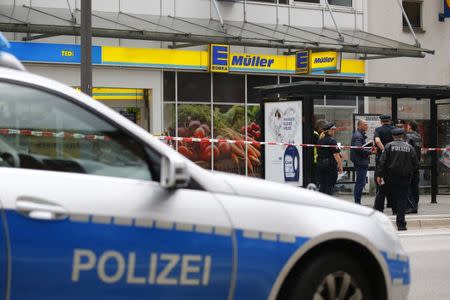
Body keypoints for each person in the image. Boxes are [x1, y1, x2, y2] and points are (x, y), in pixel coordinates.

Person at [376, 128, 419, 231]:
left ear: (393, 136)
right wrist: (410, 174)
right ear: (403, 136)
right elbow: (416, 164)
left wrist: (379, 175)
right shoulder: (409, 148)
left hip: (389, 177)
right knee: (402, 200)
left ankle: (377, 221)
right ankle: (401, 224)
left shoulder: (389, 146)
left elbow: (382, 162)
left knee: (380, 196)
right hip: (403, 178)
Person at [373, 114, 395, 212]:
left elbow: (377, 141)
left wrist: (383, 150)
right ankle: (392, 204)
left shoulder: (378, 130)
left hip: (381, 159)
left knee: (380, 182)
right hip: (394, 158)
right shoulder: (394, 129)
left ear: (381, 121)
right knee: (393, 181)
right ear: (389, 121)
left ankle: (379, 207)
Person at [350, 119, 374, 204]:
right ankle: (357, 202)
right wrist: (370, 152)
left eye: (366, 124)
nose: (366, 126)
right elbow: (358, 148)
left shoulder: (359, 134)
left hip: (360, 161)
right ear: (359, 125)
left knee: (361, 182)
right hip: (360, 162)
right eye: (364, 124)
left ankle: (357, 201)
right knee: (360, 182)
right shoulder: (358, 136)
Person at [317, 122, 343, 195]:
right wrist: (340, 166)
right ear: (329, 130)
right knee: (330, 186)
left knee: (322, 186)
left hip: (320, 165)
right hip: (330, 166)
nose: (334, 131)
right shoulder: (332, 140)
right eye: (333, 130)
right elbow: (336, 155)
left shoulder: (320, 140)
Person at [405, 120, 422, 214]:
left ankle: (411, 207)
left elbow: (407, 150)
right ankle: (415, 205)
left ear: (410, 126)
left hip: (409, 164)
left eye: (408, 126)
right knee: (415, 186)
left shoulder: (408, 136)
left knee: (408, 186)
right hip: (417, 164)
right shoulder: (419, 136)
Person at [313, 119, 328, 187]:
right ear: (320, 128)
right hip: (315, 159)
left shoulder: (316, 134)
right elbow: (320, 146)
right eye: (325, 128)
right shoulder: (315, 135)